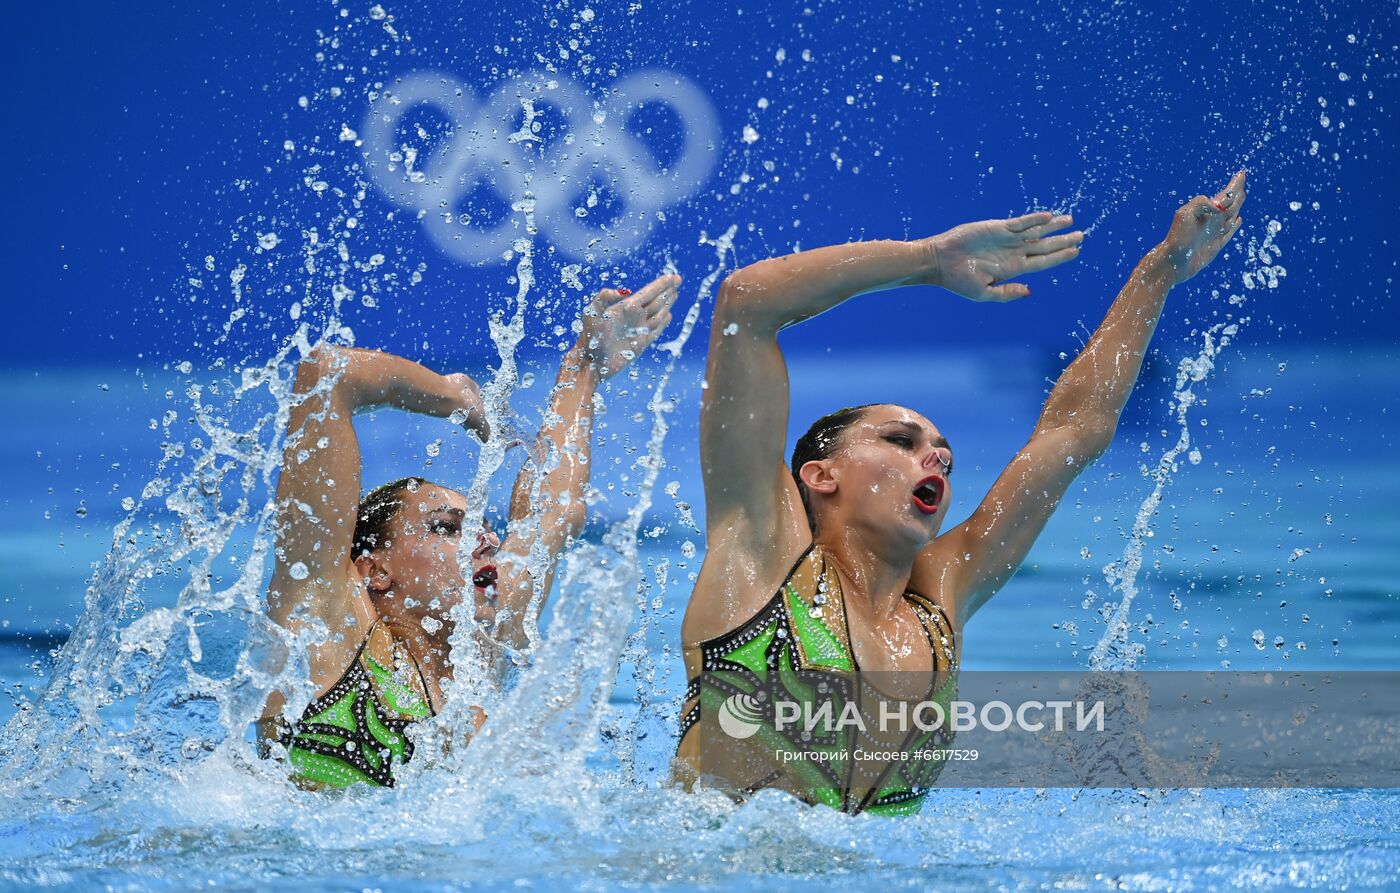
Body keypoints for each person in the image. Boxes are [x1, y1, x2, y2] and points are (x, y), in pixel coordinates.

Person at [677, 172, 1247, 814]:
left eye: (941, 453)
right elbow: (747, 305)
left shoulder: (937, 605)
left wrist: (1159, 272)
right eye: (899, 440)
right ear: (820, 476)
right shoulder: (761, 556)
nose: (936, 457)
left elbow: (1073, 430)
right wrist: (926, 260)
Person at [259, 274, 681, 788]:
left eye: (483, 528)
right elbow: (327, 374)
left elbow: (552, 511)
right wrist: (452, 395)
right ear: (375, 569)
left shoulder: (479, 651)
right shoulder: (326, 623)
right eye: (445, 528)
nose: (485, 540)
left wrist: (585, 365)